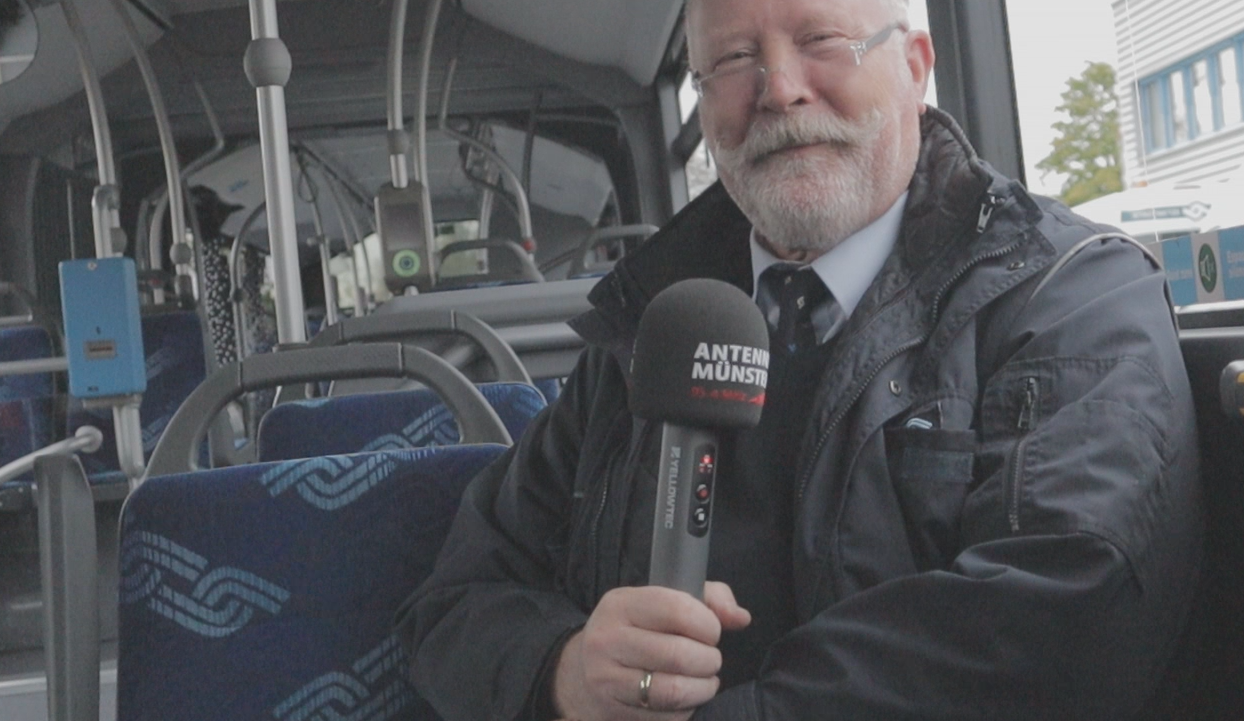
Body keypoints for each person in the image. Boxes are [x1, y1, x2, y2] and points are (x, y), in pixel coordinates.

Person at [395, 0, 1202, 718]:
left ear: (915, 68)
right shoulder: (643, 330)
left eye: (820, 40)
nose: (778, 89)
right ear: (705, 105)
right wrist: (567, 671)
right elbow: (455, 602)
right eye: (733, 61)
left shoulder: (1069, 291)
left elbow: (1063, 612)